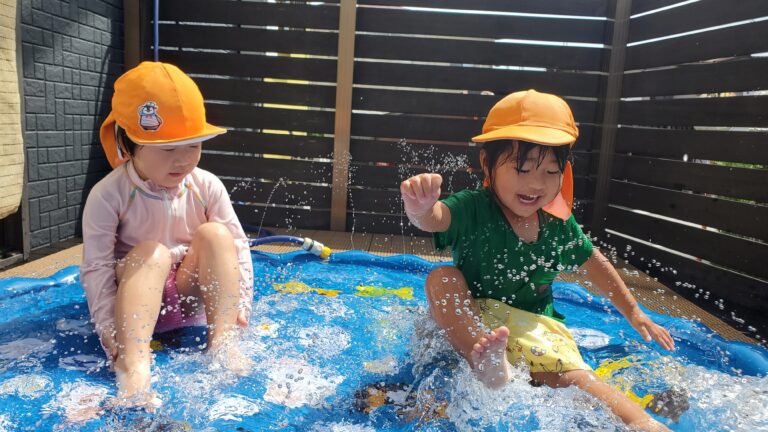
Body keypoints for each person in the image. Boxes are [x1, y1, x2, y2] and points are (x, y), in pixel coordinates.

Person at [400, 90, 676, 431]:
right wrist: (421, 207)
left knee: (575, 380)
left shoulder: (558, 223)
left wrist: (633, 312)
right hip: (472, 324)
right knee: (441, 276)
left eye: (549, 171)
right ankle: (482, 359)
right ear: (488, 163)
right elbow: (436, 219)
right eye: (523, 168)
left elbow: (594, 263)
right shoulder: (474, 206)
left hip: (531, 327)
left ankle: (642, 424)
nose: (535, 183)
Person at [80, 61, 254, 408]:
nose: (183, 160)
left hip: (190, 296)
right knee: (151, 252)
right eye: (167, 148)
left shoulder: (205, 186)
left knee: (216, 234)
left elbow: (237, 246)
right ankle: (135, 366)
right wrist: (110, 333)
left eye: (193, 145)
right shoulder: (109, 194)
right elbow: (96, 267)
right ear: (129, 145)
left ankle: (223, 342)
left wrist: (241, 304)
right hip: (135, 309)